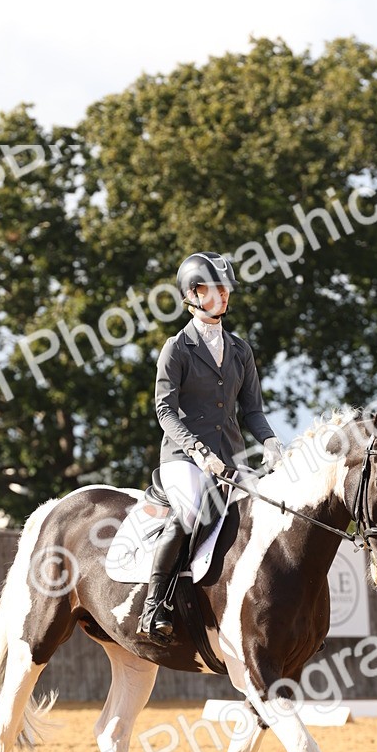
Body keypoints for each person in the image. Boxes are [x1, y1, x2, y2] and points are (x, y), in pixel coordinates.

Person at [136, 251, 283, 644]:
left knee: (267, 516)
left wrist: (269, 440)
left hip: (233, 458)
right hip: (184, 458)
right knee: (187, 514)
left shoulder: (240, 350)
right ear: (192, 293)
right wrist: (199, 452)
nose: (223, 296)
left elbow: (252, 410)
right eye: (214, 289)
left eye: (226, 289)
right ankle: (154, 605)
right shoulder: (177, 348)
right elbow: (165, 411)